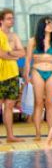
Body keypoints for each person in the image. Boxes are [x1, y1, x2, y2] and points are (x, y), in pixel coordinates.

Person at [24, 16, 52, 141]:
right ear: (42, 26)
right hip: (37, 72)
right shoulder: (33, 40)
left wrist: (41, 57)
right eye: (47, 24)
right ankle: (38, 132)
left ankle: (51, 131)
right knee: (38, 102)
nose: (50, 25)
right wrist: (26, 75)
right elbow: (29, 59)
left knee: (50, 103)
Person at [0, 9, 24, 143]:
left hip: (12, 74)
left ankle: (10, 136)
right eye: (9, 18)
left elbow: (23, 53)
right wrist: (14, 54)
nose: (12, 20)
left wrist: (9, 54)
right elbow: (1, 54)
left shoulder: (14, 36)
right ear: (1, 20)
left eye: (13, 18)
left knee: (9, 106)